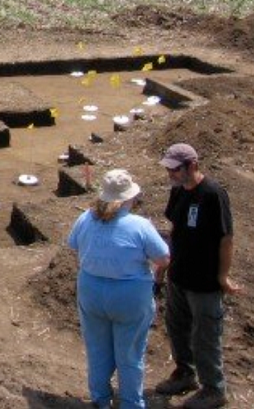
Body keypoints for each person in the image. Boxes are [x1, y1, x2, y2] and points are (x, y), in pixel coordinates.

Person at [67, 169, 170, 409]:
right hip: (129, 295)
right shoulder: (139, 225)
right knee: (130, 353)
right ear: (128, 197)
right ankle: (131, 403)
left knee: (97, 349)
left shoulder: (85, 218)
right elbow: (164, 258)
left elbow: (73, 245)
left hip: (91, 290)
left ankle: (100, 399)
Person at [154, 143, 239, 409]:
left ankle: (214, 388)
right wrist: (164, 267)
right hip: (179, 276)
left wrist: (223, 276)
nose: (171, 174)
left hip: (204, 282)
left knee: (206, 336)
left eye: (175, 169)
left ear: (192, 165)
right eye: (169, 169)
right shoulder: (178, 191)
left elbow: (226, 239)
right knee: (177, 327)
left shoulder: (213, 194)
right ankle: (185, 373)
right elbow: (175, 230)